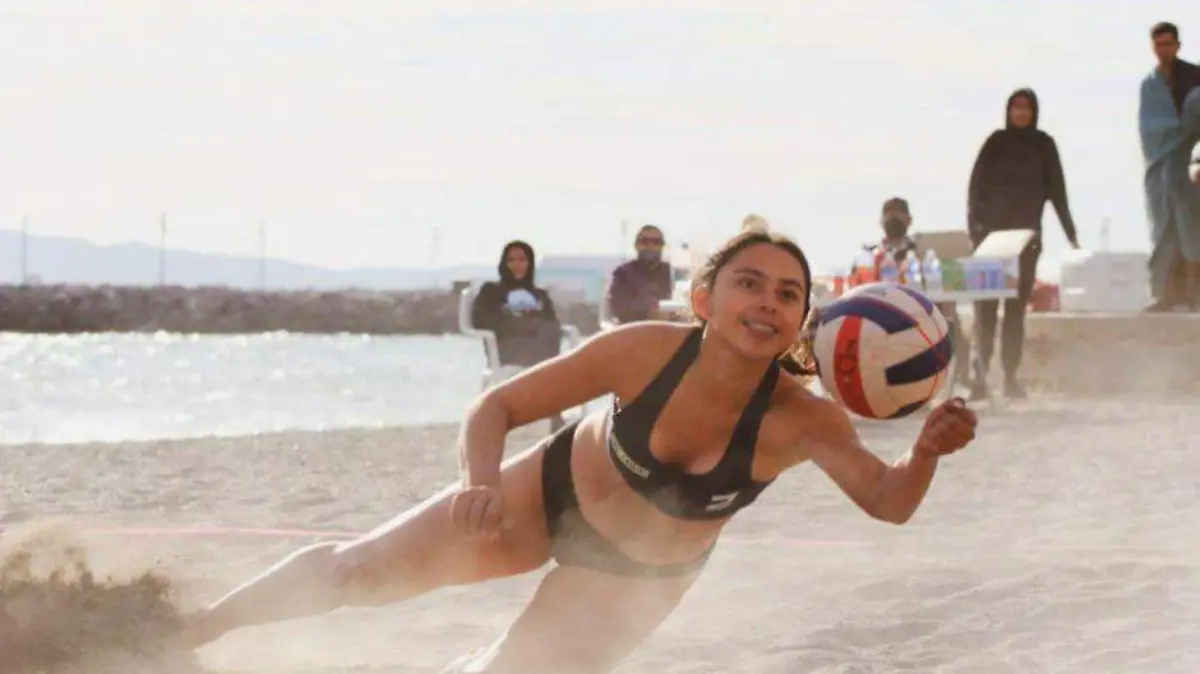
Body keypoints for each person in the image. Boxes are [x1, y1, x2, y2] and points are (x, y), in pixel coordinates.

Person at [180, 230, 979, 674]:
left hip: (633, 578)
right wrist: (478, 483)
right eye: (750, 283)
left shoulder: (804, 421)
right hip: (540, 499)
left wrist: (929, 452)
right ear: (705, 299)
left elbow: (888, 502)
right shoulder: (641, 351)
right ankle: (186, 631)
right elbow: (496, 405)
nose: (767, 301)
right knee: (359, 572)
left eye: (788, 292)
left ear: (803, 320)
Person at [966, 88, 1080, 400]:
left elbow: (1058, 191)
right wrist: (974, 231)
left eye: (1026, 107)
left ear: (1034, 112)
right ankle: (980, 378)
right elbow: (976, 188)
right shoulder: (995, 143)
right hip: (988, 241)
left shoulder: (1043, 145)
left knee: (1015, 312)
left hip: (1026, 241)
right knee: (984, 311)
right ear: (1008, 110)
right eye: (1015, 106)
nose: (1020, 112)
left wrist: (1071, 233)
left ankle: (1011, 378)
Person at [856, 198, 970, 386]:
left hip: (919, 312)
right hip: (880, 315)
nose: (893, 219)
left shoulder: (922, 251)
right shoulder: (872, 254)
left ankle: (963, 379)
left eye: (898, 215)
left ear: (909, 220)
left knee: (951, 322)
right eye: (889, 215)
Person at [471, 240, 566, 431]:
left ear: (530, 263)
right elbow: (479, 320)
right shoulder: (492, 291)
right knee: (549, 351)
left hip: (540, 349)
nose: (517, 264)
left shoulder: (540, 294)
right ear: (503, 264)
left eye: (522, 260)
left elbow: (552, 322)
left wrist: (533, 326)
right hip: (505, 348)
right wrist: (517, 324)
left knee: (551, 332)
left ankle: (555, 413)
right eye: (511, 260)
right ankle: (554, 408)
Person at [1139, 21, 1200, 312]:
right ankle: (1165, 295)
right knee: (1163, 230)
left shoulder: (1194, 79)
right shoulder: (1150, 85)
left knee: (1191, 230)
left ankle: (1193, 294)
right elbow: (1148, 130)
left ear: (1177, 45)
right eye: (1158, 44)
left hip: (1188, 167)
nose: (1163, 49)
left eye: (1168, 43)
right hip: (1160, 168)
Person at [605, 225, 673, 324]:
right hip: (633, 333)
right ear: (636, 245)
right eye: (645, 242)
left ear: (662, 246)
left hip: (671, 332)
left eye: (656, 242)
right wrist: (648, 313)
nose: (650, 246)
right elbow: (617, 307)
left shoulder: (671, 273)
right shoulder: (623, 274)